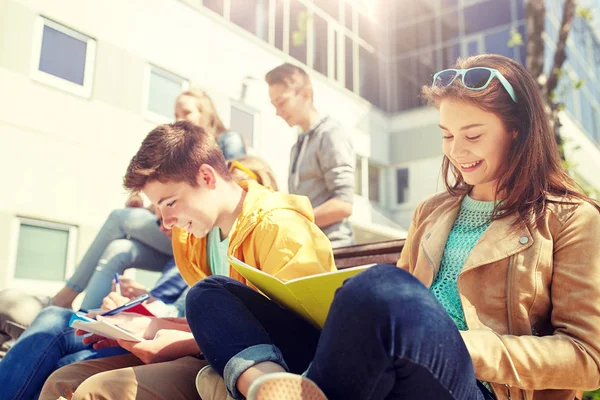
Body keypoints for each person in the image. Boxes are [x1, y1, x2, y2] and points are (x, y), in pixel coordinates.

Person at [188, 54, 600, 400]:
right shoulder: (433, 211)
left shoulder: (572, 219)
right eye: (446, 135)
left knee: (381, 287)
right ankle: (262, 382)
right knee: (211, 294)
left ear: (517, 129)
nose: (457, 151)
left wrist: (458, 344)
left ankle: (284, 385)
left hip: (479, 385)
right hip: (398, 366)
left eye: (473, 134)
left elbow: (589, 357)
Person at [39, 122, 335, 400]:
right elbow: (215, 319)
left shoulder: (280, 228)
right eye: (158, 208)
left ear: (207, 177)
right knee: (63, 379)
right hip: (209, 354)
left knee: (98, 389)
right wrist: (148, 325)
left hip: (268, 363)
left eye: (170, 203)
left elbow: (298, 332)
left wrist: (175, 341)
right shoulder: (196, 240)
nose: (166, 222)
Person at [0, 210, 188, 400]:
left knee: (61, 353)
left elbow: (181, 313)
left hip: (155, 333)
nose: (165, 225)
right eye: (158, 219)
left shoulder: (202, 256)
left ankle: (66, 316)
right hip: (141, 323)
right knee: (54, 322)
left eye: (170, 205)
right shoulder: (184, 252)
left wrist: (145, 300)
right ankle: (78, 317)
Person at [266, 63, 355, 248]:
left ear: (307, 94)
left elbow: (344, 204)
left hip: (336, 251)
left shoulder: (330, 134)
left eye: (281, 102)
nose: (277, 112)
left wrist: (292, 221)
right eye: (274, 105)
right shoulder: (297, 145)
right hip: (310, 249)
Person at [51, 203, 174, 311]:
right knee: (119, 248)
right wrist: (151, 209)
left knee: (119, 217)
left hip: (185, 235)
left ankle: (66, 296)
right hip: (171, 253)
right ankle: (85, 318)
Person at [175, 88, 246, 160]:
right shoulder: (181, 152)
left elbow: (236, 170)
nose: (179, 120)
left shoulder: (229, 139)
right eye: (176, 115)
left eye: (187, 113)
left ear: (205, 114)